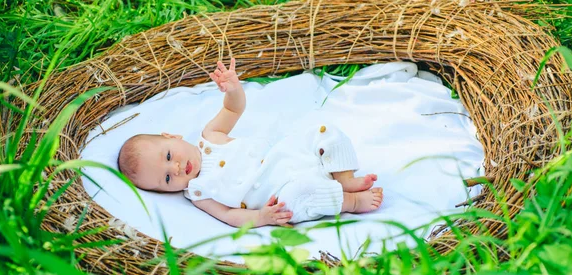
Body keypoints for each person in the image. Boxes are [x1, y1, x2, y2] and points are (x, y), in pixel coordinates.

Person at [118, 58, 383, 227]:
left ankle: (344, 175)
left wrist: (233, 89)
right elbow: (229, 216)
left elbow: (233, 111)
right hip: (282, 189)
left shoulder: (209, 136)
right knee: (299, 196)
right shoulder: (199, 193)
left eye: (168, 157)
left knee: (324, 132)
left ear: (172, 137)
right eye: (166, 179)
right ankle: (351, 202)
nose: (176, 169)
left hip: (290, 156)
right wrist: (261, 217)